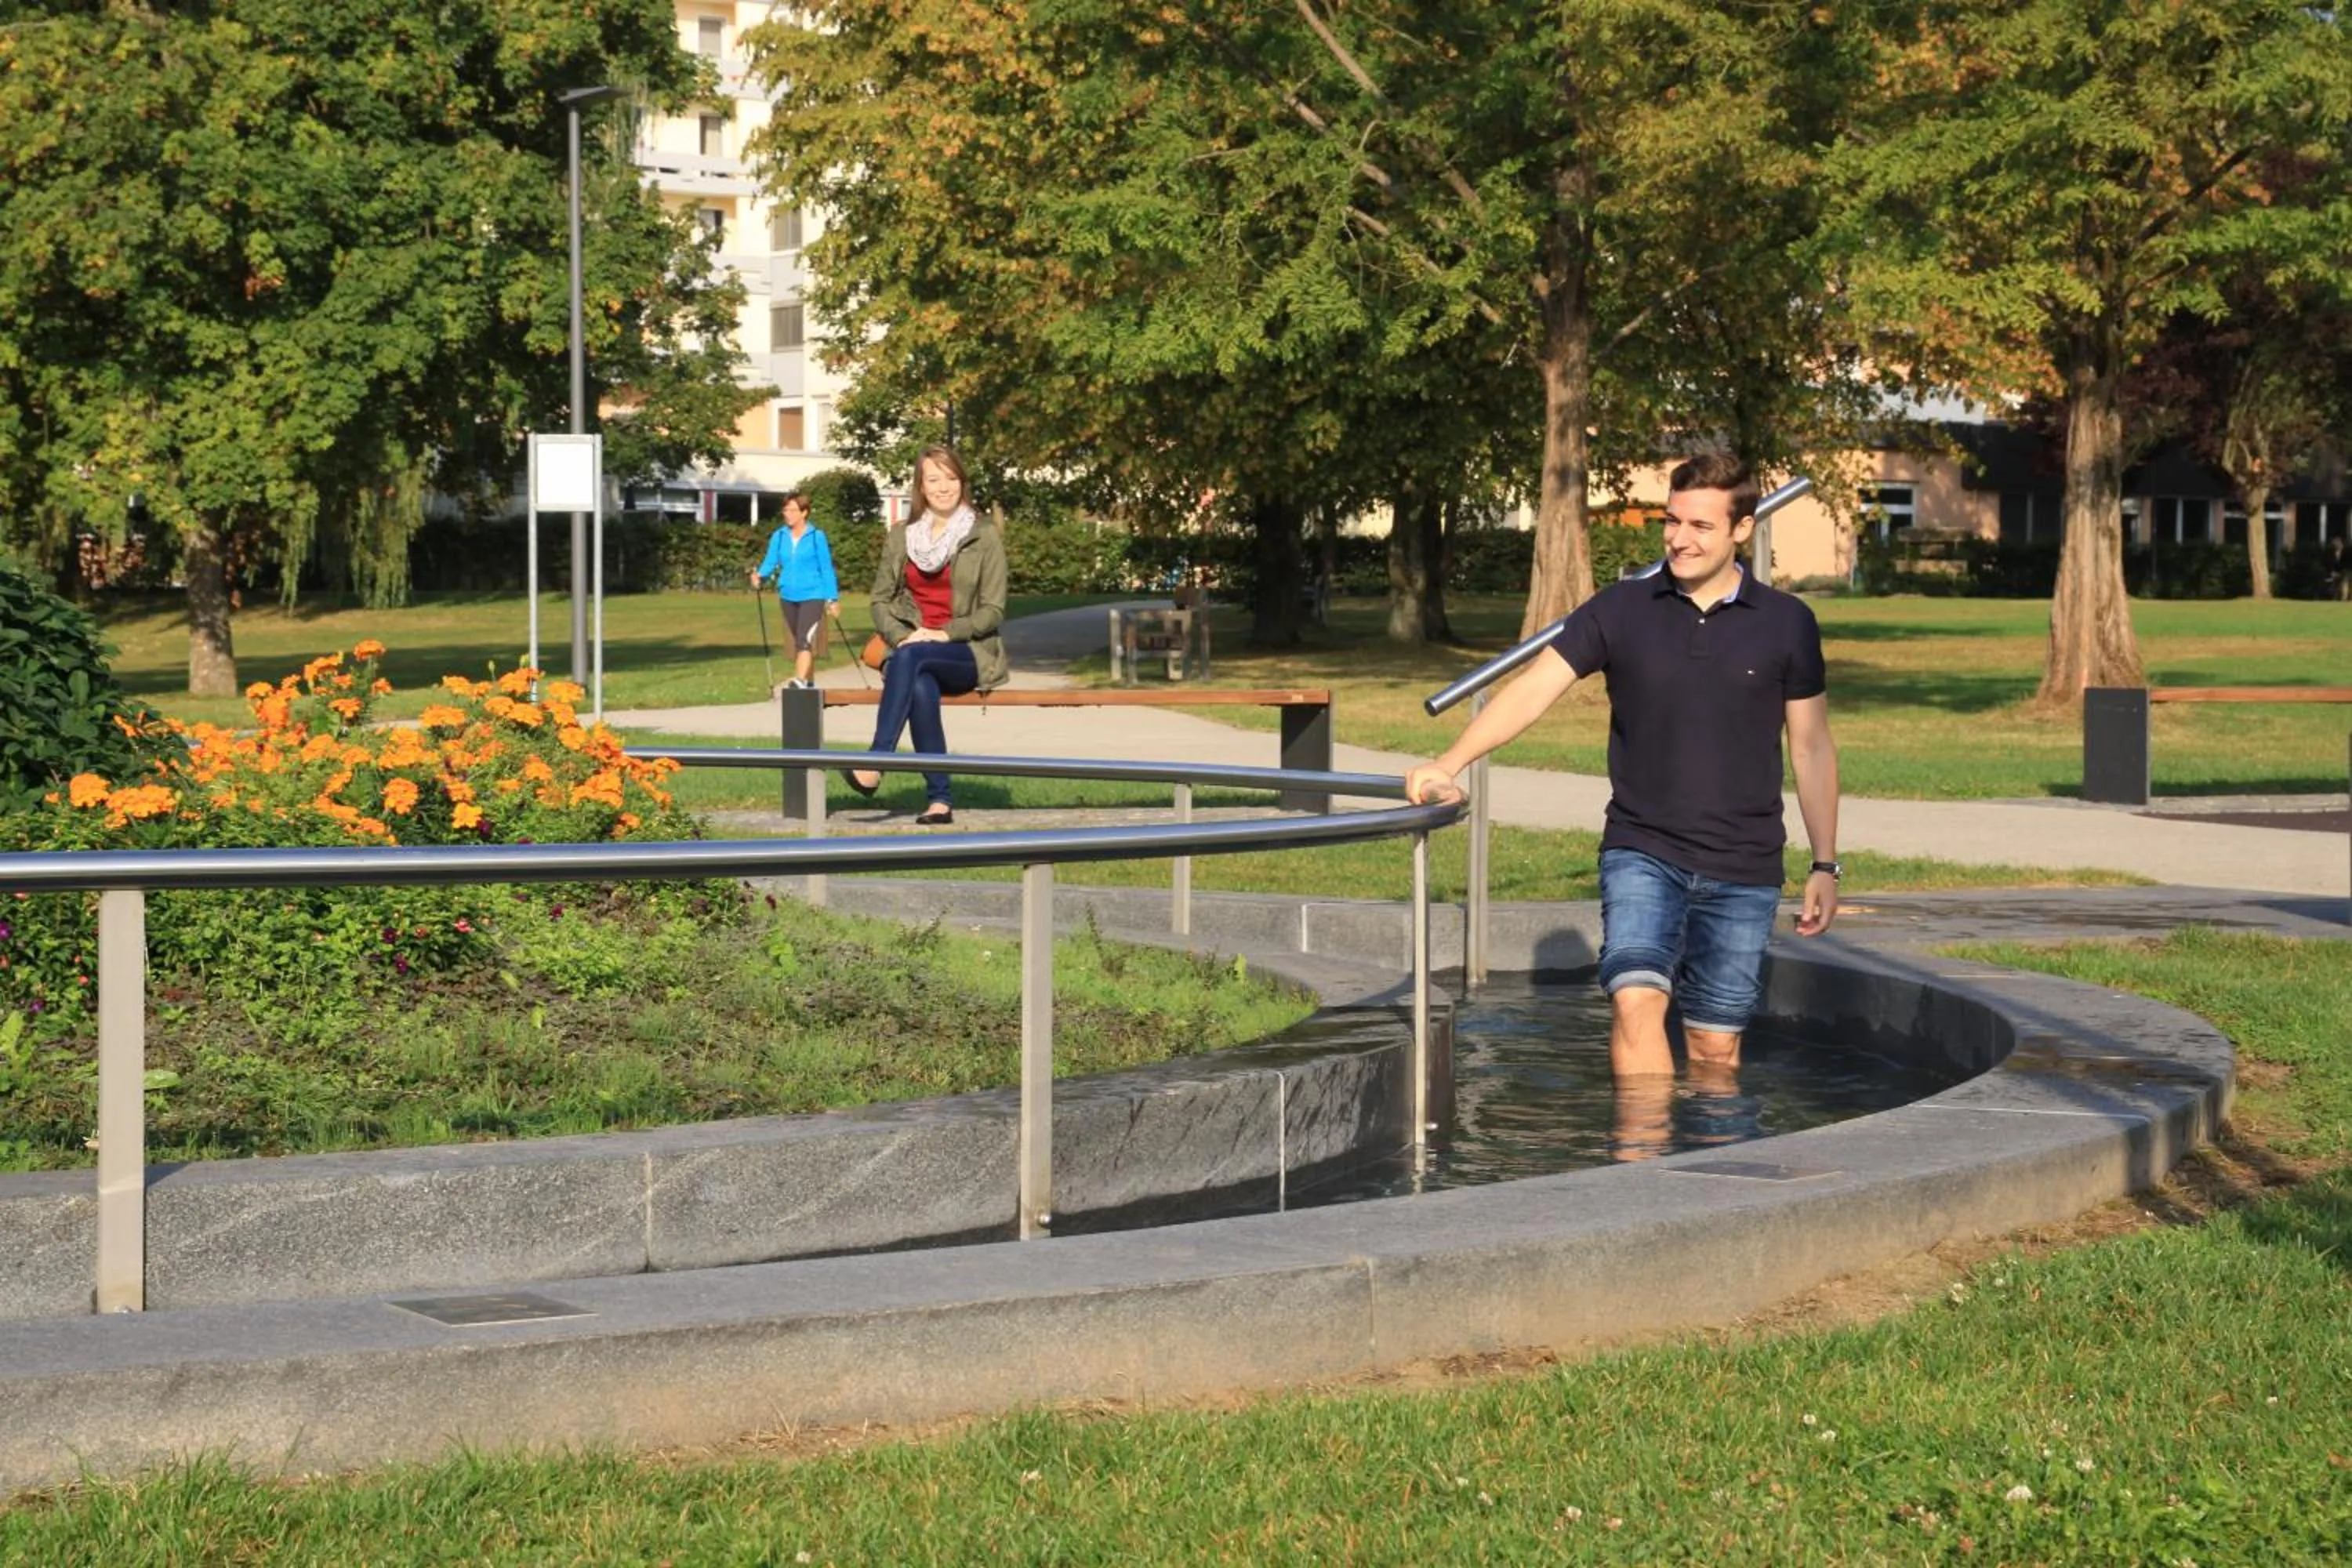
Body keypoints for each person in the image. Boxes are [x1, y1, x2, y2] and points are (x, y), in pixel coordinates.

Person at [1405, 451, 1842, 1101]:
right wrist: (1449, 761)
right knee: (1636, 1003)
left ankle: (1711, 1174)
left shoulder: (1787, 623)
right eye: (1672, 521)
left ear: (1742, 530)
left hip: (1745, 862)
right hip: (1643, 849)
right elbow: (1532, 690)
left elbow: (1810, 747)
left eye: (1700, 526)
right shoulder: (1622, 608)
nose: (1679, 539)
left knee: (1714, 1047)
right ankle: (1641, 1173)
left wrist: (1825, 865)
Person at [844, 446, 1008, 825]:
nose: (944, 487)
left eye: (951, 478)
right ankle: (940, 801)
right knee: (918, 681)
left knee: (912, 659)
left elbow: (994, 610)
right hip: (911, 648)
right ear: (921, 486)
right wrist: (901, 636)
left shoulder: (983, 535)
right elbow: (880, 600)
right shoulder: (903, 535)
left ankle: (877, 760)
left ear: (962, 483)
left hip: (967, 651)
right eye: (934, 479)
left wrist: (942, 633)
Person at [748, 492, 839, 689]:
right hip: (788, 595)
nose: (787, 514)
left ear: (804, 513)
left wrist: (832, 599)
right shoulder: (779, 537)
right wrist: (760, 576)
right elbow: (770, 561)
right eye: (785, 510)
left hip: (813, 594)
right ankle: (809, 682)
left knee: (804, 639)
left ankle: (798, 680)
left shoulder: (817, 536)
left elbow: (826, 568)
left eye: (792, 510)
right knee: (799, 641)